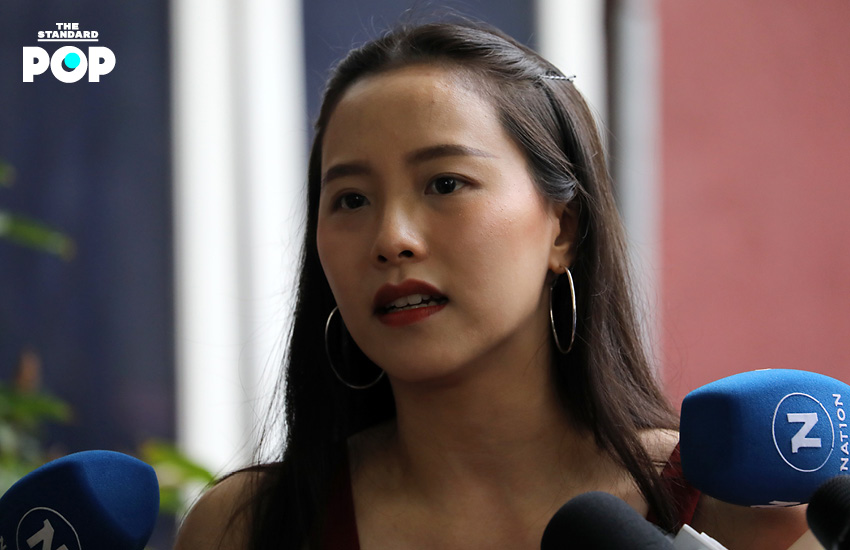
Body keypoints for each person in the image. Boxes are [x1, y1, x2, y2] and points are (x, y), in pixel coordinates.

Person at [175, 21, 807, 549]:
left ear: (563, 228)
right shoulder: (247, 527)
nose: (391, 238)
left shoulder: (740, 505)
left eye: (445, 184)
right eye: (351, 200)